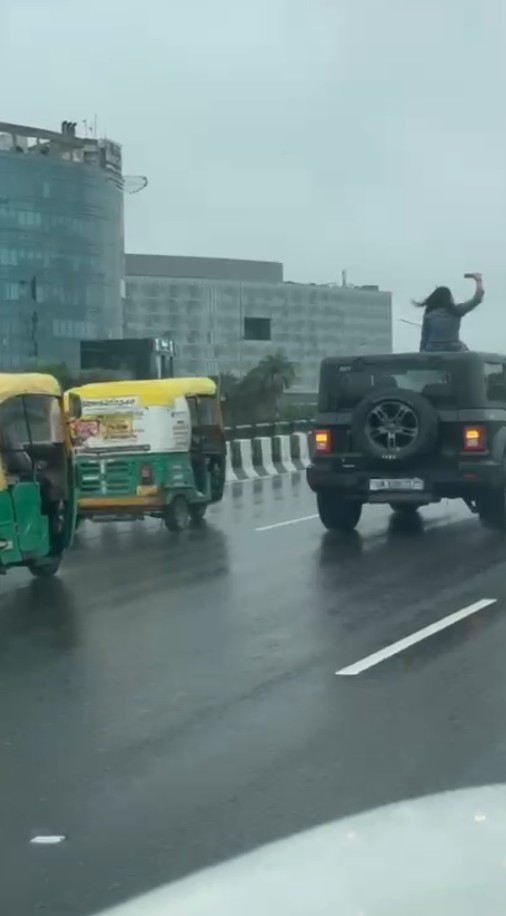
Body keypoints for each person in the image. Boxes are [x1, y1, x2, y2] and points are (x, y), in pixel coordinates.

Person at [415, 272, 485, 352]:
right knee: (464, 346)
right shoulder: (456, 311)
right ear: (448, 299)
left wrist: (422, 356)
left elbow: (424, 339)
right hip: (452, 348)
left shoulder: (429, 315)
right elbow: (477, 299)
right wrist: (478, 280)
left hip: (432, 349)